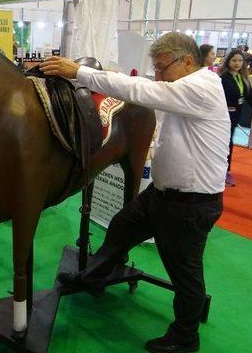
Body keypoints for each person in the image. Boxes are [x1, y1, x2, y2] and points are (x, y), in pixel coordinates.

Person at [39, 32, 230, 353]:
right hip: (163, 194)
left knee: (185, 274)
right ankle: (95, 276)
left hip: (190, 204)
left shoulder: (202, 86)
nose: (158, 76)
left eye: (162, 68)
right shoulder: (187, 86)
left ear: (186, 61)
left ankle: (186, 337)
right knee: (121, 228)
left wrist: (80, 72)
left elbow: (141, 89)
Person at [219, 50, 252, 186]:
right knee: (225, 144)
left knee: (228, 143)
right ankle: (222, 171)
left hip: (235, 116)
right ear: (228, 61)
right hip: (222, 117)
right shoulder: (222, 78)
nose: (237, 63)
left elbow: (250, 96)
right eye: (234, 60)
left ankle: (225, 171)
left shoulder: (243, 79)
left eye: (240, 61)